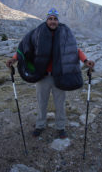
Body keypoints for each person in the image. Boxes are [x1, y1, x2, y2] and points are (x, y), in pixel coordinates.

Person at [6, 8, 95, 139]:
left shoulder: (65, 33)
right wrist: (14, 58)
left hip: (60, 75)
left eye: (55, 19)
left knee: (60, 103)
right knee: (42, 102)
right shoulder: (37, 33)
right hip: (43, 76)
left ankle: (61, 127)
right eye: (50, 19)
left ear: (58, 20)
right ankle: (40, 125)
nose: (53, 21)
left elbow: (75, 50)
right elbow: (24, 47)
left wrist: (86, 60)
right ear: (46, 20)